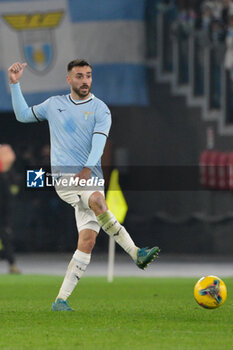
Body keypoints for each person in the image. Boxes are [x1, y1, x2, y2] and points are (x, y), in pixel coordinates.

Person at [8, 59, 160, 311]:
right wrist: (15, 85)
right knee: (99, 202)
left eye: (88, 75)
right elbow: (23, 116)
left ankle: (61, 300)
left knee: (87, 241)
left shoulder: (101, 109)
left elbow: (99, 143)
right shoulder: (54, 105)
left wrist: (88, 170)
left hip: (90, 178)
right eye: (79, 76)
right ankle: (136, 253)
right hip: (66, 178)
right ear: (69, 79)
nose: (85, 80)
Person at [0, 144, 21, 273]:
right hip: (5, 210)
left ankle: (12, 263)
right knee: (5, 236)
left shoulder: (8, 175)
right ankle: (12, 263)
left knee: (5, 236)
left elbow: (11, 193)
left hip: (4, 211)